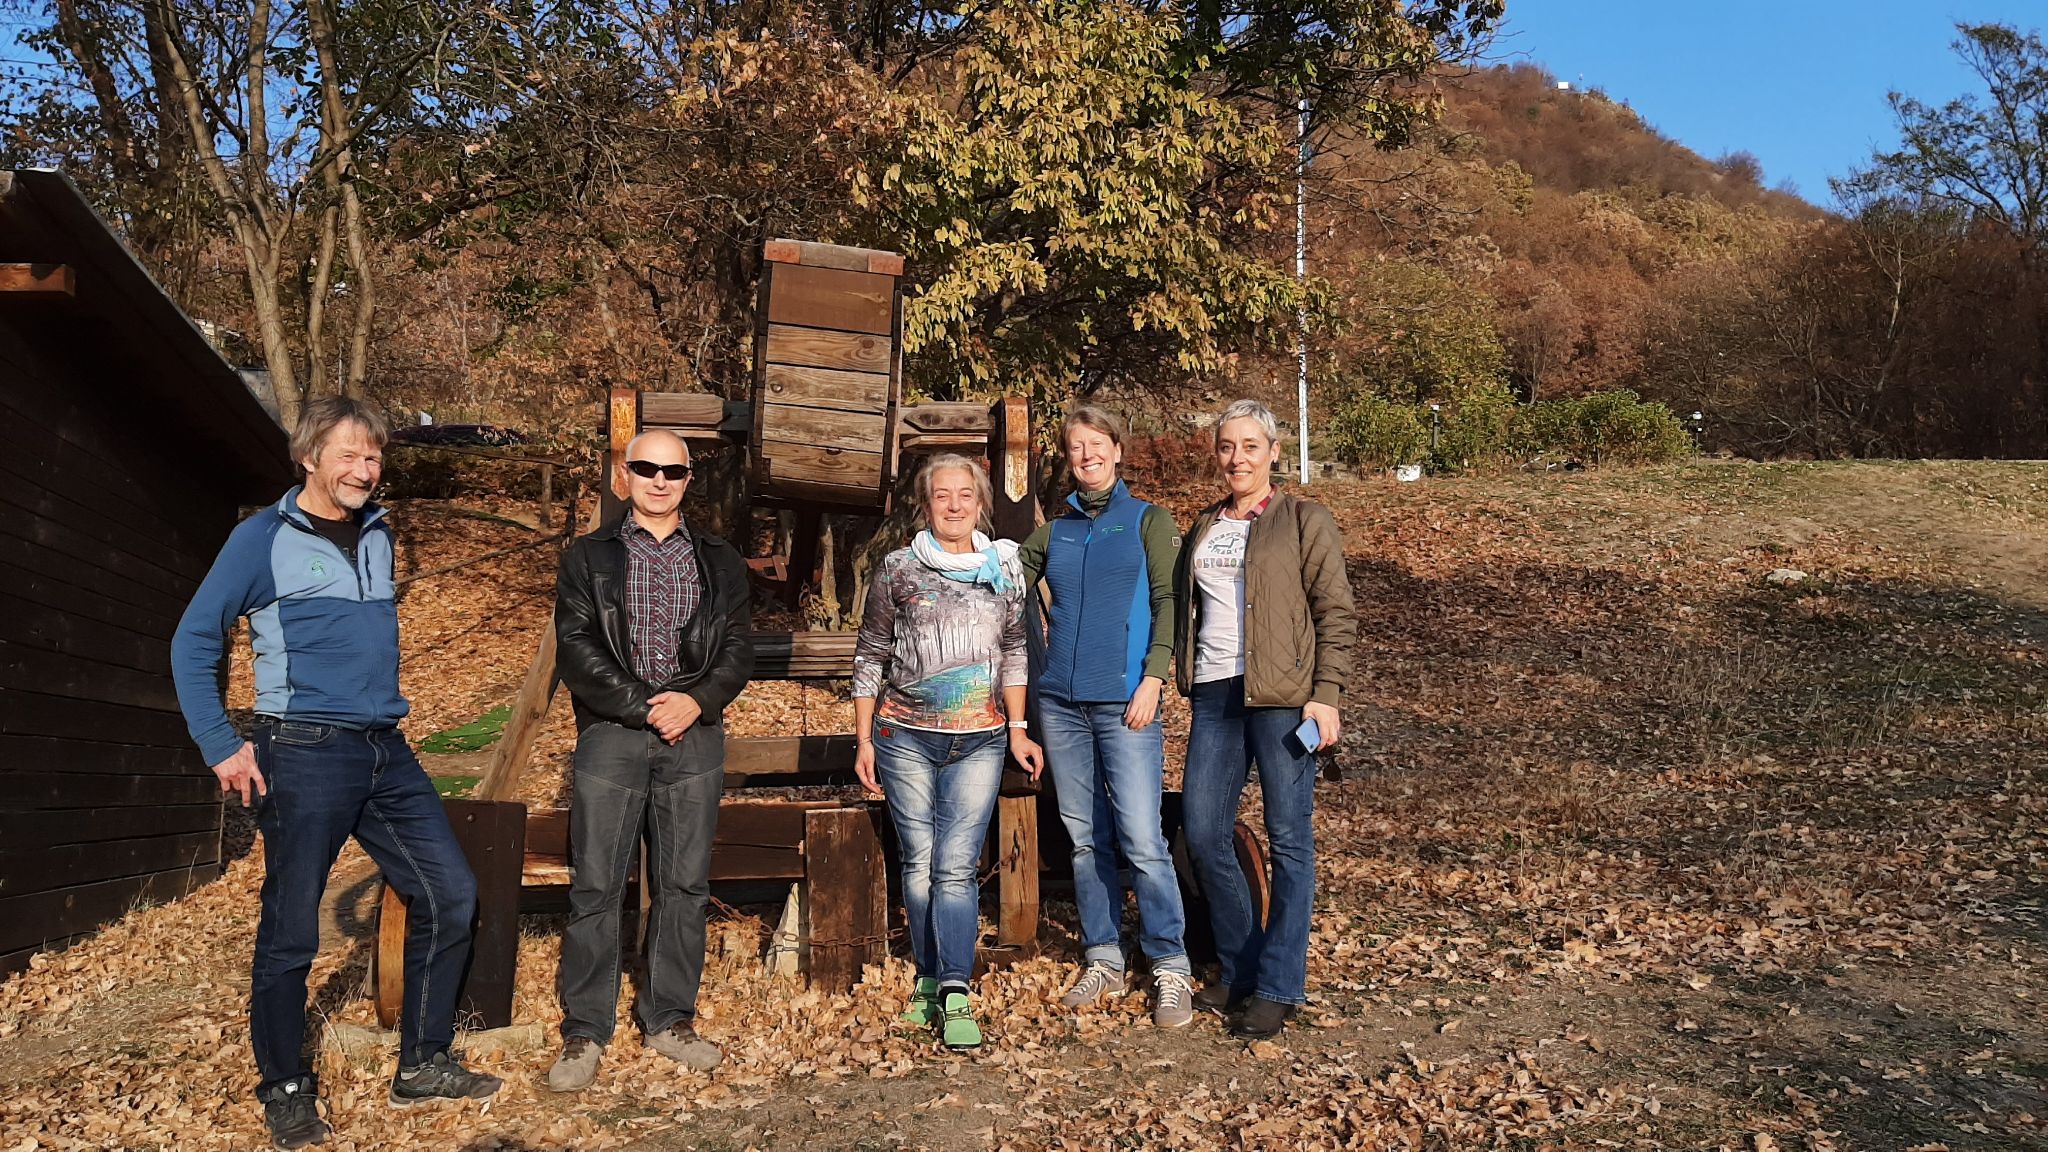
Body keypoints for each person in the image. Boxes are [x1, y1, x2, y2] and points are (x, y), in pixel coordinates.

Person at [171, 398, 500, 1150]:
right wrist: (222, 744)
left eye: (374, 456)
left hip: (387, 749)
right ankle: (285, 1085)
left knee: (450, 892)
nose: (364, 469)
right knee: (292, 929)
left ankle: (422, 1061)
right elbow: (193, 642)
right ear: (309, 457)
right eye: (349, 455)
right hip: (303, 750)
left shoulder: (379, 534)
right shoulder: (260, 540)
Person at [545, 429, 755, 1091]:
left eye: (672, 471)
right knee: (596, 885)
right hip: (611, 732)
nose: (659, 480)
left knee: (684, 886)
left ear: (690, 480)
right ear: (623, 474)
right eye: (645, 468)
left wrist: (695, 702)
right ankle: (585, 1030)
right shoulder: (589, 556)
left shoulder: (720, 560)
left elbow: (739, 649)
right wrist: (642, 705)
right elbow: (575, 647)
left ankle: (668, 1019)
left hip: (694, 736)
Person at [1175, 399, 1356, 1040]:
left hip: (1285, 698)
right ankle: (1241, 965)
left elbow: (1335, 612)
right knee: (1202, 832)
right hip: (1215, 697)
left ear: (1273, 452)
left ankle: (1279, 983)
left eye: (1251, 446)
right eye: (1227, 446)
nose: (1237, 458)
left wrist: (1326, 693)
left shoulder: (1304, 520)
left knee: (1289, 839)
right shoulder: (1202, 525)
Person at [852, 454, 1044, 1051]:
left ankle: (956, 988)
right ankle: (930, 979)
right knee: (919, 862)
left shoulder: (1004, 570)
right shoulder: (897, 570)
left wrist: (1017, 727)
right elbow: (869, 655)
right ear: (926, 503)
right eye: (942, 496)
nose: (954, 505)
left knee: (955, 866)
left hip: (980, 739)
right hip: (903, 735)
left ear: (981, 503)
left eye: (965, 495)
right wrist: (862, 740)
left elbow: (1015, 650)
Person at [1018, 405, 1194, 1028]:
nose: (1087, 455)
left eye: (1097, 444)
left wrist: (1154, 677)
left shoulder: (1148, 521)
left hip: (1126, 703)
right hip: (1062, 704)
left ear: (1119, 450)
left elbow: (1171, 600)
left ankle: (1170, 965)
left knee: (1143, 839)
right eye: (1075, 447)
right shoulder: (1058, 528)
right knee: (1086, 839)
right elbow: (1007, 573)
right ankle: (1103, 956)